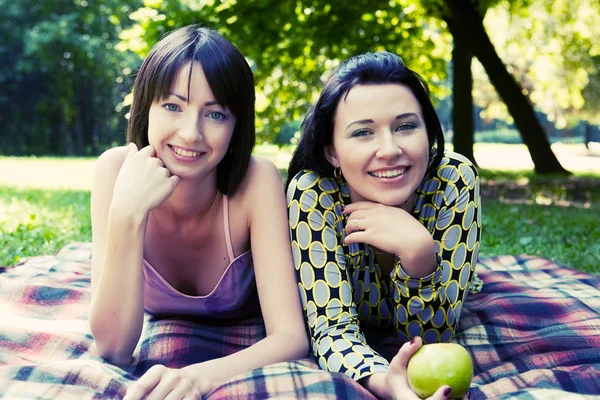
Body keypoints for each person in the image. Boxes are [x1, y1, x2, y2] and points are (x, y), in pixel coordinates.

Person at [89, 25, 308, 399]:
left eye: (215, 114)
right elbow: (113, 349)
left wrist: (200, 377)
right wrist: (127, 213)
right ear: (146, 109)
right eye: (173, 106)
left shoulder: (256, 180)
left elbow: (290, 338)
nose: (191, 133)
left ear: (237, 126)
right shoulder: (114, 171)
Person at [285, 51, 483, 400]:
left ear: (428, 131)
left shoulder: (453, 179)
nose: (389, 150)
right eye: (363, 132)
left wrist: (419, 255)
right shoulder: (314, 194)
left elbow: (433, 340)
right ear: (332, 150)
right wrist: (385, 383)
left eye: (406, 126)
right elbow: (331, 330)